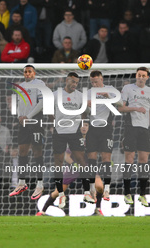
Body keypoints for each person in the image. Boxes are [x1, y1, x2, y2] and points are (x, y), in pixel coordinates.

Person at [51, 72, 94, 209]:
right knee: (58, 162)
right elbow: (48, 110)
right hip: (59, 131)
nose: (75, 84)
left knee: (81, 160)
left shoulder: (81, 95)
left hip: (75, 131)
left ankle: (87, 192)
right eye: (73, 82)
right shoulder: (56, 95)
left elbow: (86, 112)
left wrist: (88, 106)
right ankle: (61, 194)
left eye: (77, 82)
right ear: (67, 80)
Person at [36, 123, 95, 216]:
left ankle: (98, 208)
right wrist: (74, 164)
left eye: (86, 125)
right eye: (82, 125)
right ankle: (42, 211)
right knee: (58, 191)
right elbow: (66, 156)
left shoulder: (92, 140)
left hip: (87, 168)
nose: (84, 127)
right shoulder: (75, 139)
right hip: (73, 168)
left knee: (99, 187)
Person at [9, 65, 46, 200]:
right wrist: (20, 116)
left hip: (35, 121)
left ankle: (40, 184)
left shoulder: (40, 83)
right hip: (23, 122)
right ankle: (22, 182)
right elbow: (19, 104)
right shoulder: (20, 86)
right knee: (22, 152)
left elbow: (42, 103)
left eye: (30, 71)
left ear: (34, 73)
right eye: (25, 72)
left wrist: (28, 117)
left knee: (37, 152)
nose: (27, 73)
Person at [86, 70, 123, 203]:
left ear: (101, 79)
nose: (94, 84)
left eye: (96, 81)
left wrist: (108, 96)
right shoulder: (88, 92)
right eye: (92, 82)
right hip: (93, 128)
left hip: (106, 128)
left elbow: (121, 104)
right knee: (91, 158)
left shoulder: (111, 89)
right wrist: (86, 106)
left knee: (106, 158)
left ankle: (107, 188)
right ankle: (91, 189)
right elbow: (84, 110)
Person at [118, 67, 150, 206]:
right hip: (131, 127)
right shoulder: (128, 88)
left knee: (144, 161)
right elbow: (121, 108)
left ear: (147, 77)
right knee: (129, 160)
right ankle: (127, 193)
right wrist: (136, 108)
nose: (141, 77)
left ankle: (142, 195)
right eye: (139, 75)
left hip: (145, 129)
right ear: (136, 76)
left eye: (143, 75)